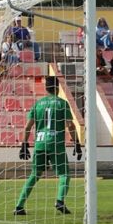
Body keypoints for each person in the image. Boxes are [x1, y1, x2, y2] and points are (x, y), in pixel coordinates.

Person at [14, 76, 82, 215]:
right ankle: (60, 201)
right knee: (64, 174)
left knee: (34, 175)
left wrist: (24, 144)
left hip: (39, 144)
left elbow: (28, 127)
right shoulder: (62, 103)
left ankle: (19, 206)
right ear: (57, 88)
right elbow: (70, 125)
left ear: (46, 89)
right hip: (55, 143)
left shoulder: (38, 104)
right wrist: (77, 143)